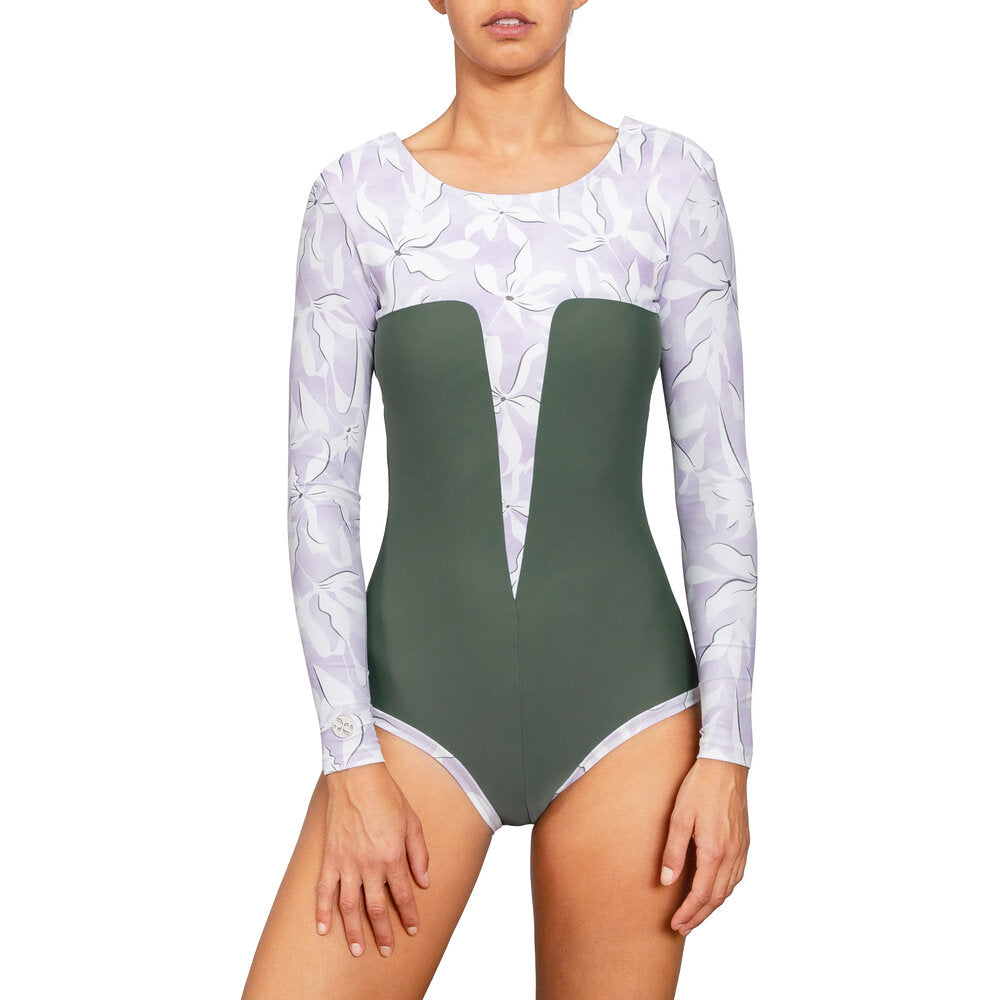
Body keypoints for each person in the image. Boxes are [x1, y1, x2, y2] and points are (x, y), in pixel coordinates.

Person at [242, 2, 757, 997]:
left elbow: (716, 475)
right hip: (412, 715)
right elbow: (317, 492)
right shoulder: (358, 197)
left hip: (630, 713)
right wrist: (349, 761)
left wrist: (727, 751)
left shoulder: (669, 184)